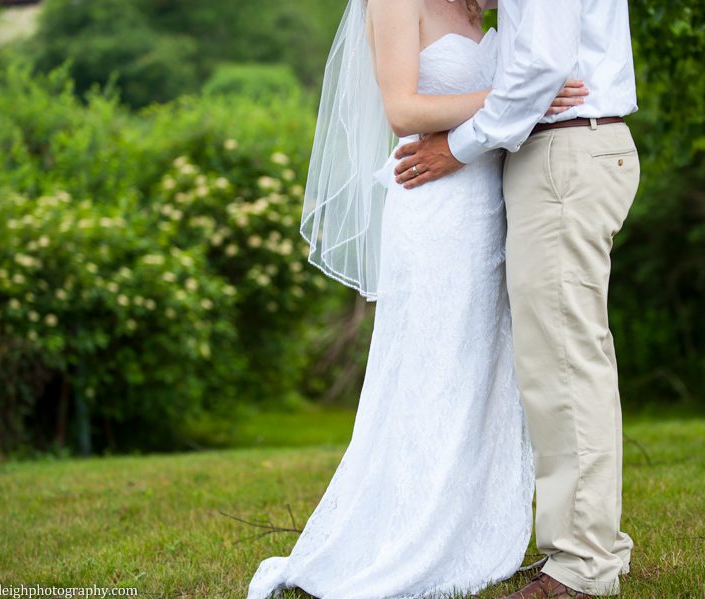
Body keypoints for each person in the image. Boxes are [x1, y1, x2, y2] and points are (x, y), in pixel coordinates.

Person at [246, 1, 590, 598]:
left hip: (493, 202)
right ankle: (410, 533)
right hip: (434, 205)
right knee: (431, 372)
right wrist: (519, 100)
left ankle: (472, 528)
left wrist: (519, 101)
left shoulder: (476, 7)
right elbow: (402, 110)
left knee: (482, 371)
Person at [392, 1, 640, 597]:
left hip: (564, 152)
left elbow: (542, 69)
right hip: (563, 150)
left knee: (563, 363)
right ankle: (595, 546)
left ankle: (583, 565)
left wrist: (459, 145)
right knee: (568, 356)